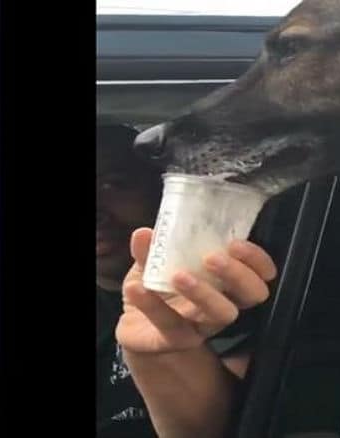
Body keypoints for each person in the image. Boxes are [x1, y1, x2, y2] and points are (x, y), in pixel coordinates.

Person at [97, 122, 276, 438]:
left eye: (114, 184)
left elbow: (239, 424)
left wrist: (167, 355)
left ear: (164, 190)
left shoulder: (224, 291)